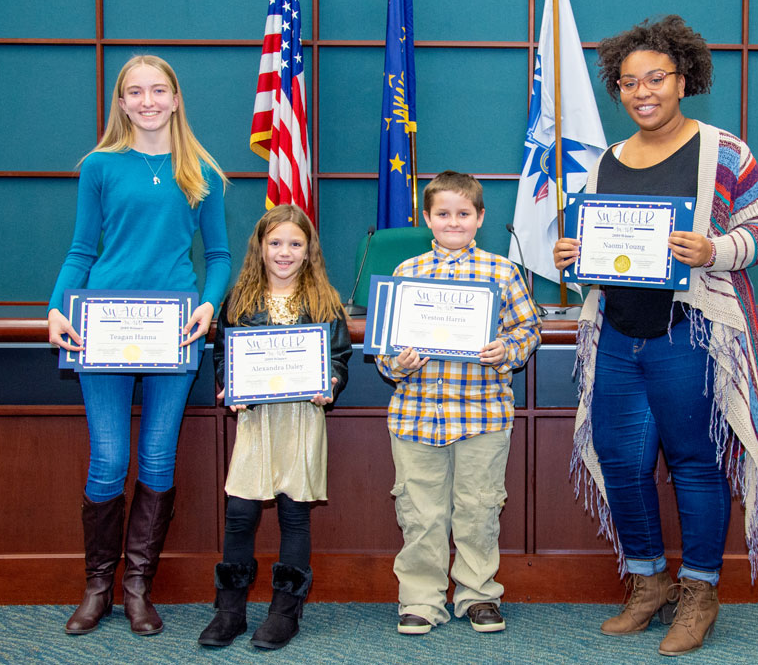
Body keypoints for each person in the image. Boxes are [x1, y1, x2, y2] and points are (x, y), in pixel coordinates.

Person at [553, 15, 758, 656]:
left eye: (655, 78)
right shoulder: (606, 161)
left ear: (683, 80)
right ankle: (649, 582)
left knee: (695, 463)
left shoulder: (725, 152)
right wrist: (575, 254)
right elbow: (601, 245)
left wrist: (714, 249)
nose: (642, 92)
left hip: (693, 335)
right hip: (617, 336)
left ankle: (700, 592)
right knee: (622, 463)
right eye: (629, 83)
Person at [47, 55, 231, 636]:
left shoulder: (202, 169)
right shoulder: (99, 166)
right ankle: (97, 587)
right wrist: (55, 307)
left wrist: (209, 304)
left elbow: (219, 257)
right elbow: (82, 249)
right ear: (122, 103)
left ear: (175, 99)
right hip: (101, 328)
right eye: (135, 92)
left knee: (156, 456)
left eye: (158, 90)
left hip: (174, 332)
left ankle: (136, 590)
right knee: (109, 459)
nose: (147, 101)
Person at [376, 171, 541, 635]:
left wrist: (506, 349)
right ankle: (421, 599)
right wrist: (398, 362)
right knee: (420, 514)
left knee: (479, 509)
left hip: (482, 416)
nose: (454, 222)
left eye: (463, 214)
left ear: (480, 217)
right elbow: (385, 349)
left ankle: (478, 594)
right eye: (443, 214)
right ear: (427, 218)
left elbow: (528, 330)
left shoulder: (502, 272)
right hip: (416, 416)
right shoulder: (406, 273)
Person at [198, 204, 352, 650]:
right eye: (276, 243)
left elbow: (338, 357)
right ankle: (230, 612)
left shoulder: (325, 300)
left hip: (302, 418)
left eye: (295, 244)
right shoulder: (239, 299)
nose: (285, 252)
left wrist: (331, 383)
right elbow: (223, 353)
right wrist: (228, 384)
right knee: (240, 513)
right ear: (260, 248)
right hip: (256, 420)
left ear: (309, 250)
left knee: (293, 514)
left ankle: (285, 613)